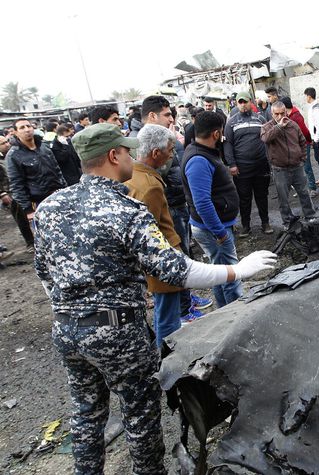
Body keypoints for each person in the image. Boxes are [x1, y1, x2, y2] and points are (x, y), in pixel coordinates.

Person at [34, 122, 276, 475]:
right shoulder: (125, 210)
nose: (133, 156)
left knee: (86, 413)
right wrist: (237, 271)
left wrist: (69, 310)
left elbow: (45, 273)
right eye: (127, 151)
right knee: (140, 413)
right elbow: (175, 271)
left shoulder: (50, 207)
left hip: (67, 331)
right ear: (113, 156)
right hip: (116, 334)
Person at [143, 95, 210, 318]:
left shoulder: (170, 137)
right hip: (167, 204)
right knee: (174, 257)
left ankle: (187, 299)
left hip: (178, 201)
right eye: (167, 114)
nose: (171, 118)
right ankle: (182, 311)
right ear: (152, 116)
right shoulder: (146, 145)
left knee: (185, 252)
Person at [125, 125, 187, 344]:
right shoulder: (149, 186)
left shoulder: (133, 175)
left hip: (155, 259)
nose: (172, 154)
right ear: (156, 153)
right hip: (162, 258)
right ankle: (167, 359)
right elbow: (151, 232)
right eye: (170, 150)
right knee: (168, 316)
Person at [182, 112, 244, 308]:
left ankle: (223, 313)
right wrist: (220, 233)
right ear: (216, 134)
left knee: (218, 274)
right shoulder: (199, 160)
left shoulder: (203, 152)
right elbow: (202, 202)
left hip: (214, 227)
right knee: (230, 275)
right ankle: (237, 317)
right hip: (213, 230)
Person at [223, 91, 273, 236]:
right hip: (242, 168)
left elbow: (269, 139)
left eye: (245, 101)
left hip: (261, 166)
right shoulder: (231, 122)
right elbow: (228, 145)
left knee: (262, 196)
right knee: (244, 198)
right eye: (240, 102)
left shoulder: (260, 119)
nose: (243, 105)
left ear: (251, 102)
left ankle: (265, 223)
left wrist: (270, 160)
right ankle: (246, 225)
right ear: (237, 104)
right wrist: (231, 164)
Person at [261, 100, 317, 224]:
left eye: (282, 113)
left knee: (304, 193)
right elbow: (266, 138)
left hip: (297, 166)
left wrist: (302, 158)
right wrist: (279, 127)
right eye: (277, 114)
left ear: (286, 112)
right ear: (272, 113)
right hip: (280, 169)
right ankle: (287, 221)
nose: (280, 116)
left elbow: (303, 141)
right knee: (283, 198)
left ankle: (310, 216)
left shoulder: (293, 125)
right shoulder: (267, 127)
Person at [6, 119, 66, 223]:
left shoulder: (44, 147)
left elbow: (57, 170)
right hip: (38, 202)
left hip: (58, 195)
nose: (27, 130)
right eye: (22, 128)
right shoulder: (13, 155)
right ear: (15, 132)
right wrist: (28, 210)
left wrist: (65, 189)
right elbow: (17, 185)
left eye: (28, 126)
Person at [0, 135, 34, 249]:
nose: (7, 144)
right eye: (3, 143)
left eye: (7, 142)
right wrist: (2, 193)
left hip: (20, 189)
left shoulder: (13, 155)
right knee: (21, 218)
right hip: (10, 191)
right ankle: (30, 242)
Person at [283, 96, 317, 197]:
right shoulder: (287, 116)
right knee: (297, 169)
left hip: (302, 145)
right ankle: (302, 189)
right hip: (293, 146)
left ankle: (312, 189)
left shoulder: (296, 116)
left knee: (307, 167)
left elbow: (304, 131)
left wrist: (309, 141)